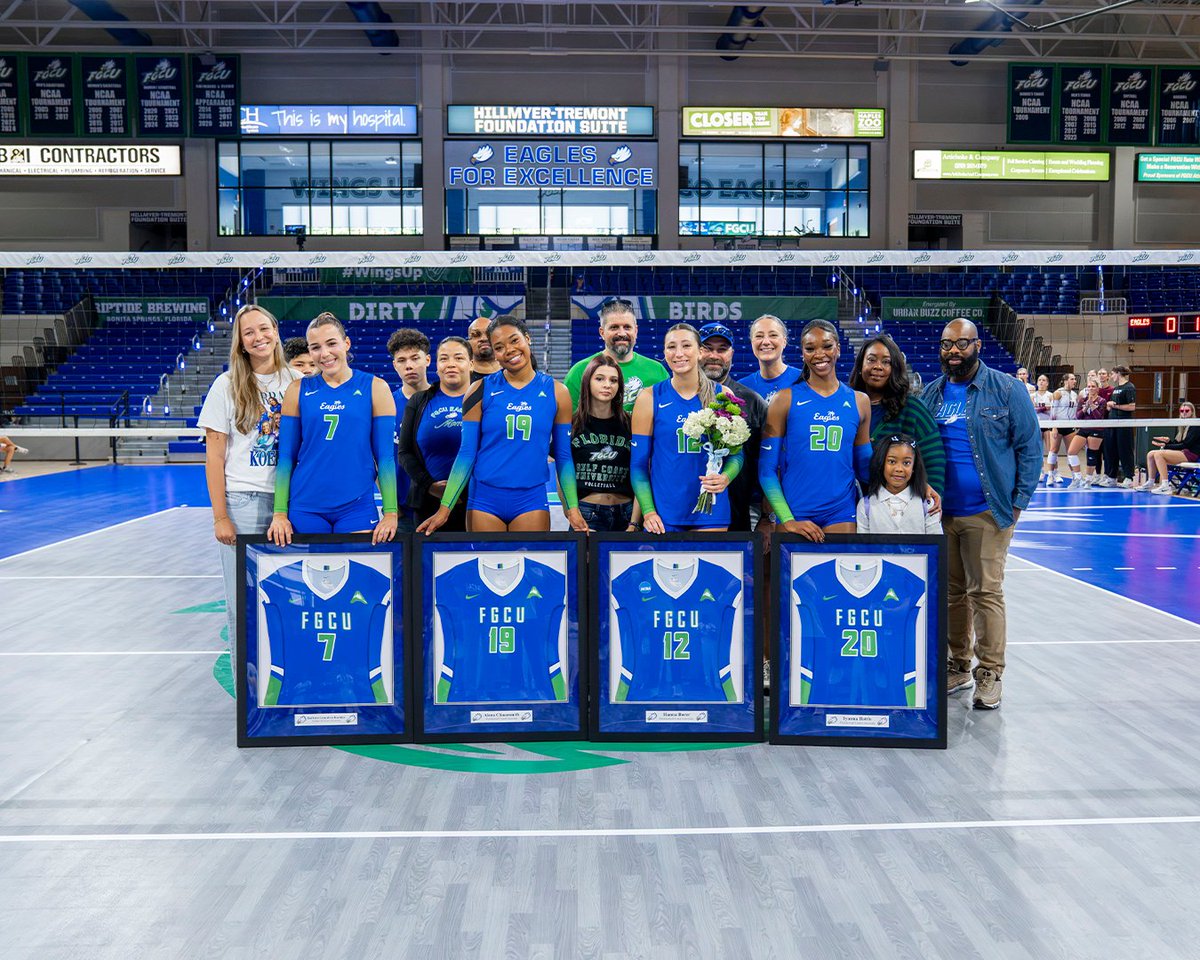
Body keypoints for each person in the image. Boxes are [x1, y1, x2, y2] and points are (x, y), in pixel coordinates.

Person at [920, 318, 1041, 710]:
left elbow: (1030, 448)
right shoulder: (932, 393)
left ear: (977, 346)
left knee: (986, 591)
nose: (953, 351)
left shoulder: (1006, 389)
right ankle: (958, 664)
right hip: (941, 514)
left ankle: (989, 672)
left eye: (961, 343)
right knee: (953, 593)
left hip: (986, 510)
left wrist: (1016, 503)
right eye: (946, 344)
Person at [197, 304, 300, 676]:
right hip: (243, 502)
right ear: (240, 343)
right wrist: (220, 517)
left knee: (290, 599)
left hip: (291, 503)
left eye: (264, 328)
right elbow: (214, 457)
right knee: (243, 601)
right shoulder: (226, 385)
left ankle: (288, 679)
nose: (259, 337)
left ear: (276, 330)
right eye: (249, 332)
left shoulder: (297, 381)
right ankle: (247, 690)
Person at [418, 316, 587, 534]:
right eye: (499, 347)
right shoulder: (479, 390)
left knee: (529, 557)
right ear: (494, 353)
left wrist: (572, 509)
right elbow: (467, 453)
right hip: (484, 499)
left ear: (527, 339)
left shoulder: (557, 392)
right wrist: (444, 509)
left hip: (531, 498)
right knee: (486, 556)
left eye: (514, 340)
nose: (509, 350)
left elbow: (563, 456)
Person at [267, 313, 398, 545]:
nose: (324, 353)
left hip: (356, 506)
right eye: (315, 347)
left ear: (346, 343)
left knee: (357, 568)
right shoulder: (297, 390)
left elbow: (385, 458)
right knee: (313, 569)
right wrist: (279, 513)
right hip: (305, 506)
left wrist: (390, 513)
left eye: (331, 343)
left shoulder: (376, 388)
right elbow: (286, 457)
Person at [759, 319, 872, 542]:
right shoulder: (784, 399)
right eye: (810, 348)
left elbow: (866, 467)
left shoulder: (860, 401)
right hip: (794, 511)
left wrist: (915, 484)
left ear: (838, 349)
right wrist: (787, 519)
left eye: (827, 346)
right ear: (802, 354)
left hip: (841, 512)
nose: (819, 354)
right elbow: (766, 470)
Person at [630, 323, 744, 534]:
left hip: (711, 510)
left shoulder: (722, 395)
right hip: (664, 515)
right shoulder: (649, 397)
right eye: (671, 347)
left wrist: (726, 477)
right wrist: (648, 512)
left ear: (700, 352)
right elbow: (638, 465)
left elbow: (736, 455)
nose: (679, 353)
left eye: (686, 345)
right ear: (664, 353)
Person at [848, 335, 946, 496]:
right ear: (860, 366)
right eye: (871, 360)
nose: (878, 367)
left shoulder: (913, 409)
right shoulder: (846, 406)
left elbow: (934, 463)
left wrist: (927, 504)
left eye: (886, 362)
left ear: (895, 369)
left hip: (899, 505)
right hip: (849, 504)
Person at [698, 322, 769, 533]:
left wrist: (767, 517)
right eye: (707, 348)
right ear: (696, 351)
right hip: (682, 514)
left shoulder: (751, 401)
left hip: (737, 515)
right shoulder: (679, 397)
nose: (714, 355)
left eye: (722, 349)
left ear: (732, 355)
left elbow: (768, 463)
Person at [397, 336, 473, 531]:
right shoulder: (419, 401)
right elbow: (404, 453)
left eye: (459, 358)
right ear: (437, 366)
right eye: (444, 358)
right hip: (427, 502)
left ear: (471, 364)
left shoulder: (484, 400)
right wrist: (430, 485)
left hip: (475, 501)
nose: (451, 364)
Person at [570, 355, 640, 532]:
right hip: (587, 514)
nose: (607, 385)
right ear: (587, 382)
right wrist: (571, 514)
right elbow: (561, 474)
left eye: (613, 380)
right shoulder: (572, 424)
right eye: (600, 379)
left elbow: (642, 471)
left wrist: (634, 522)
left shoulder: (632, 424)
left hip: (627, 513)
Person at [564, 298, 668, 411]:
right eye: (614, 327)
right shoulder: (580, 371)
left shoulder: (658, 371)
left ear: (636, 331)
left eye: (627, 327)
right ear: (602, 333)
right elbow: (569, 419)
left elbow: (668, 414)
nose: (622, 333)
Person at [388, 328, 433, 533]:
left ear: (428, 360)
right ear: (394, 365)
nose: (409, 365)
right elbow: (377, 459)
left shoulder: (447, 400)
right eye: (402, 360)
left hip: (443, 506)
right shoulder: (386, 405)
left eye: (415, 358)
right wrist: (393, 509)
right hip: (401, 512)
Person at [856, 435, 943, 535]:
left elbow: (936, 542)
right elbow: (862, 544)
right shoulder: (865, 506)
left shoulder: (927, 504)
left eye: (906, 463)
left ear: (914, 467)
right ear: (881, 463)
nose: (899, 469)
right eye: (892, 461)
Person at [1138, 399, 1199, 494]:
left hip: (1192, 454)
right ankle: (1150, 482)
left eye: (1187, 411)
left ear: (1192, 412)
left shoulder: (1195, 425)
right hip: (1184, 452)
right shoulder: (1182, 426)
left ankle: (1165, 485)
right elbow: (1178, 443)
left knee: (1159, 454)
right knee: (1150, 454)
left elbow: (1186, 445)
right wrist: (1168, 442)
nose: (1184, 413)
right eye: (1182, 411)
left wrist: (1166, 446)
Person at [742, 314, 803, 404]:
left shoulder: (805, 380)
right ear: (752, 342)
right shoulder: (742, 387)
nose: (766, 342)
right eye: (759, 336)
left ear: (784, 341)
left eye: (773, 335)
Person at [1102, 365, 1137, 486]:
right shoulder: (1116, 388)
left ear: (1118, 373)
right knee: (1111, 450)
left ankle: (1129, 477)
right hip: (1112, 423)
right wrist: (1108, 406)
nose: (1111, 376)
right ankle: (1112, 477)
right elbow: (1112, 406)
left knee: (1125, 450)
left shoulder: (1129, 387)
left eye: (1112, 374)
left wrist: (1115, 406)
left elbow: (1132, 407)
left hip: (1124, 423)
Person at [1069, 378, 1107, 488]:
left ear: (1098, 388)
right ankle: (1078, 477)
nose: (1091, 388)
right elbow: (1078, 416)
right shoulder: (1082, 400)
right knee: (1071, 452)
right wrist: (1085, 407)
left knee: (1091, 454)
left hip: (1096, 429)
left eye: (1093, 386)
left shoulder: (1102, 401)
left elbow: (1099, 417)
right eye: (1089, 386)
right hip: (1084, 428)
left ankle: (1088, 480)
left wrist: (1093, 407)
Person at [1048, 373, 1080, 486]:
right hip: (1058, 424)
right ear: (1066, 381)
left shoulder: (1075, 395)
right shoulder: (1058, 393)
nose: (1074, 381)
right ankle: (1050, 475)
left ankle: (1075, 477)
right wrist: (1054, 427)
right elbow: (1053, 411)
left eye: (1075, 379)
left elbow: (1075, 411)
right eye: (1072, 379)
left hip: (1070, 426)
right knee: (1053, 450)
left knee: (1071, 452)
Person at [1032, 374, 1055, 484]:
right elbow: (1033, 410)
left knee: (1051, 450)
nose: (1041, 382)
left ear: (1047, 383)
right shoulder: (1033, 396)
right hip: (1037, 425)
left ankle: (1053, 473)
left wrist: (1039, 408)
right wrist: (1045, 408)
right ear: (1037, 383)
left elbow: (1053, 410)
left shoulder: (1050, 395)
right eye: (1040, 380)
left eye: (1044, 380)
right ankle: (1041, 472)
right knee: (1038, 451)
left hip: (1048, 424)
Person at [466, 315, 501, 381]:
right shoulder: (460, 377)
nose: (484, 338)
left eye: (489, 334)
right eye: (476, 335)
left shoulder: (513, 372)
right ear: (468, 342)